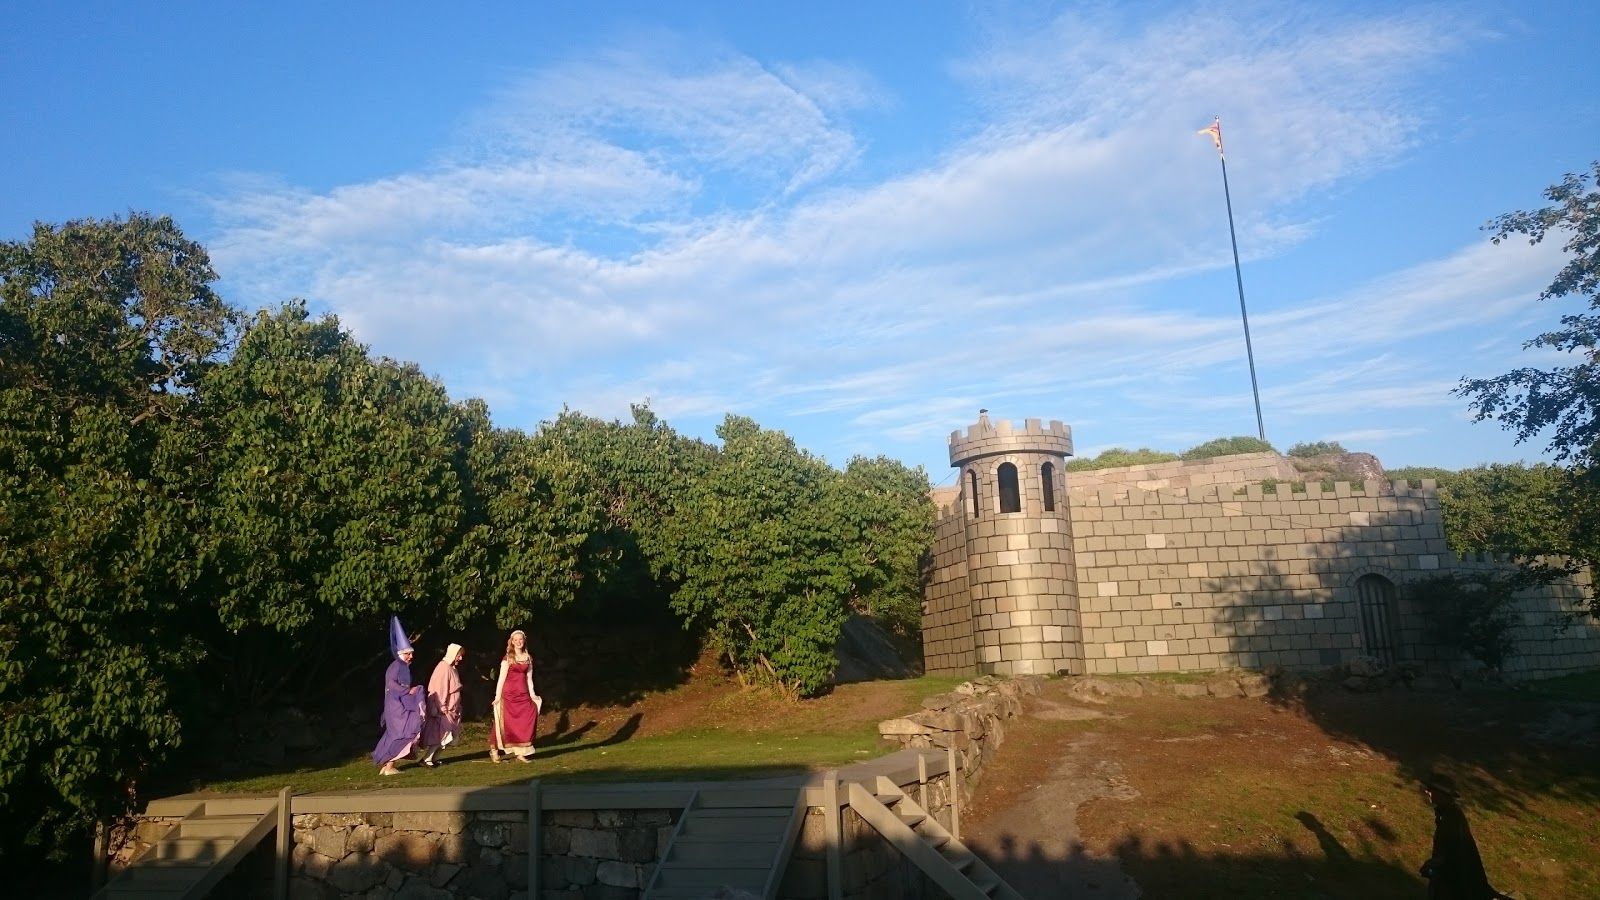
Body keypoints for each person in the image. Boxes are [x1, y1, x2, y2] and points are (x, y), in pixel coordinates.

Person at [1419, 775, 1512, 899]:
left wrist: (1434, 864)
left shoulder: (1452, 817)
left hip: (1454, 880)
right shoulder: (1446, 814)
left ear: (1442, 793)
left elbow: (1454, 851)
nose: (1427, 791)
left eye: (1431, 789)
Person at [372, 615, 425, 776]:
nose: (411, 656)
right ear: (401, 653)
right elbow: (391, 684)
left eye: (411, 653)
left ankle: (387, 766)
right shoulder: (397, 666)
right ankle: (389, 767)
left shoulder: (401, 666)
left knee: (398, 735)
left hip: (399, 705)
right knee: (403, 734)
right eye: (408, 653)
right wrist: (407, 691)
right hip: (397, 708)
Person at [489, 629, 542, 763]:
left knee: (524, 721)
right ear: (512, 642)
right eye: (516, 640)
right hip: (509, 694)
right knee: (503, 722)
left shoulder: (528, 658)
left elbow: (529, 678)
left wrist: (532, 694)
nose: (518, 642)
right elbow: (501, 678)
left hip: (523, 694)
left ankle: (520, 752)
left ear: (524, 641)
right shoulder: (508, 658)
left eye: (520, 639)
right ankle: (494, 749)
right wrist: (497, 696)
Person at [419, 643, 464, 767]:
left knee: (449, 736)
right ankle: (426, 759)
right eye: (459, 655)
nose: (460, 658)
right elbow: (440, 688)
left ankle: (434, 758)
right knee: (443, 734)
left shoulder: (452, 668)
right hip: (445, 709)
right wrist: (442, 706)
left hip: (453, 708)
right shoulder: (444, 667)